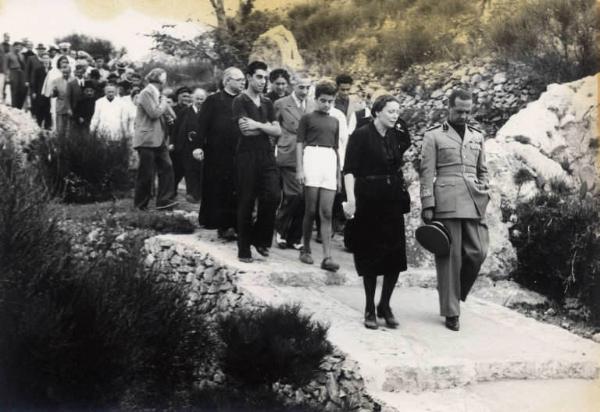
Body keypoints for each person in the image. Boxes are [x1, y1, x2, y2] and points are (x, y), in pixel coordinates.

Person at [419, 89, 490, 332]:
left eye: (467, 111)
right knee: (450, 258)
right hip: (446, 201)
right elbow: (426, 173)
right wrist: (428, 204)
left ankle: (453, 292)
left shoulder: (477, 136)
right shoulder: (434, 136)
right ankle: (451, 311)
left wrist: (485, 186)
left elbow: (483, 169)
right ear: (448, 108)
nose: (463, 115)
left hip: (473, 200)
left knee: (478, 252)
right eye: (459, 111)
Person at [343, 94, 411, 329]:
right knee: (370, 255)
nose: (396, 115)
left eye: (397, 111)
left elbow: (402, 155)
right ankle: (370, 307)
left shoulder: (395, 135)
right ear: (377, 112)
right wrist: (351, 200)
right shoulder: (361, 135)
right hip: (368, 200)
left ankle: (385, 304)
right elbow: (349, 170)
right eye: (391, 111)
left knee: (395, 256)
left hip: (391, 200)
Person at [232, 61, 281, 262]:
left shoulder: (268, 103)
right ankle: (244, 247)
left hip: (267, 155)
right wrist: (266, 126)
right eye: (259, 77)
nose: (263, 81)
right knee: (246, 200)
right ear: (249, 77)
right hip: (246, 156)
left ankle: (260, 239)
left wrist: (258, 125)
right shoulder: (240, 101)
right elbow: (246, 130)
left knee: (273, 196)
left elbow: (278, 131)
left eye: (265, 78)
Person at [296, 80, 341, 272]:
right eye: (323, 100)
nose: (326, 105)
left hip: (329, 161)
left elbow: (337, 149)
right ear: (316, 99)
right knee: (311, 209)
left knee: (327, 212)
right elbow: (299, 144)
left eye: (330, 101)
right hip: (312, 158)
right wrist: (299, 168)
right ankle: (305, 249)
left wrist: (338, 175)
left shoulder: (335, 121)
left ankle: (327, 257)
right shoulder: (307, 118)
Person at [197, 67, 245, 240]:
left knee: (238, 189)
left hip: (240, 152)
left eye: (243, 80)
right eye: (239, 80)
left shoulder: (244, 100)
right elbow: (201, 125)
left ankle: (238, 225)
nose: (243, 82)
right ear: (227, 81)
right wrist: (198, 146)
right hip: (217, 153)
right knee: (220, 189)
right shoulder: (213, 100)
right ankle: (223, 225)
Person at [273, 73, 313, 250]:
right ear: (293, 86)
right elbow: (273, 130)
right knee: (294, 195)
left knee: (305, 198)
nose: (304, 91)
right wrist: (272, 153)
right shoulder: (281, 104)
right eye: (301, 87)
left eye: (307, 87)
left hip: (309, 155)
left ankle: (296, 237)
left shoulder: (313, 105)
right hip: (288, 153)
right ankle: (281, 230)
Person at [133, 68, 177, 210]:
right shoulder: (146, 92)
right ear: (160, 79)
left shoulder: (159, 94)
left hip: (160, 139)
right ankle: (140, 206)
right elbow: (153, 113)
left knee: (167, 168)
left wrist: (168, 118)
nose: (166, 81)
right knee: (146, 174)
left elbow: (171, 115)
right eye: (165, 78)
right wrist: (164, 101)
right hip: (147, 139)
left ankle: (164, 202)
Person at [174, 87, 206, 203]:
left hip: (201, 146)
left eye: (202, 99)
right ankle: (191, 194)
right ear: (193, 98)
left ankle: (199, 194)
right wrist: (173, 143)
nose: (199, 101)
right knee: (189, 170)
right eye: (197, 99)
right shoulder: (184, 112)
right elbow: (176, 129)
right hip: (186, 146)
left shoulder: (206, 113)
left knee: (200, 170)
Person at [30, 51, 52, 129]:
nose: (46, 60)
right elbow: (34, 82)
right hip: (40, 92)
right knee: (40, 108)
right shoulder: (38, 70)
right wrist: (34, 92)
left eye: (47, 58)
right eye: (44, 58)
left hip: (50, 93)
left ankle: (48, 125)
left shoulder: (52, 70)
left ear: (50, 59)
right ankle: (39, 124)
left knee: (49, 109)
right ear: (42, 60)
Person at [51, 61, 72, 137]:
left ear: (70, 72)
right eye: (64, 72)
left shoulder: (73, 80)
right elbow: (52, 95)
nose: (65, 74)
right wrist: (54, 92)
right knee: (60, 130)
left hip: (71, 108)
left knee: (69, 131)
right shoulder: (56, 81)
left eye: (67, 72)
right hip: (60, 107)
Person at [6, 41, 27, 109]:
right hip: (13, 72)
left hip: (21, 73)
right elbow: (6, 66)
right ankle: (14, 106)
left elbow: (24, 66)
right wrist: (7, 77)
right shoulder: (8, 55)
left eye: (19, 46)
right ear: (13, 47)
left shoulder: (21, 55)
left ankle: (19, 107)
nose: (18, 48)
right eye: (17, 46)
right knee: (14, 90)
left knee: (22, 90)